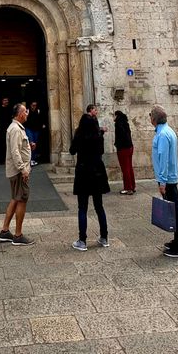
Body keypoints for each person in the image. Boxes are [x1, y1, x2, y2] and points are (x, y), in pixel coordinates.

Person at [151, 104, 178, 258]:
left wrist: (162, 182)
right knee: (174, 212)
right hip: (171, 178)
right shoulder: (168, 131)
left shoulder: (162, 135)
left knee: (175, 213)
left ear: (154, 119)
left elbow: (163, 159)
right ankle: (177, 240)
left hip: (167, 180)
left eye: (150, 115)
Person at [70, 105, 110, 251]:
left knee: (82, 208)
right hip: (97, 172)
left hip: (83, 172)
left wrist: (77, 137)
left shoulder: (79, 134)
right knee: (99, 206)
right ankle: (104, 238)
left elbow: (72, 151)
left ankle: (82, 241)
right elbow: (101, 150)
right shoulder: (98, 135)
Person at [0, 103, 34, 245]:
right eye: (25, 111)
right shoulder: (15, 129)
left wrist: (28, 147)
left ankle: (5, 231)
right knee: (22, 199)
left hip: (18, 170)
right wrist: (23, 169)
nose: (27, 113)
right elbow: (14, 152)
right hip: (19, 172)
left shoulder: (16, 128)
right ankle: (18, 235)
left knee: (15, 198)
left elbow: (19, 148)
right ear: (19, 114)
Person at [114, 110, 135, 194]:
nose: (114, 117)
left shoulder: (118, 124)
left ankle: (128, 188)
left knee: (125, 169)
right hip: (129, 147)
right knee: (129, 167)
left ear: (117, 116)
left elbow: (121, 137)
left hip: (123, 148)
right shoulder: (126, 123)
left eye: (114, 115)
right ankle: (132, 186)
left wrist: (117, 144)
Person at [26, 100, 45, 166]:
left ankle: (33, 159)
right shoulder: (27, 111)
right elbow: (24, 120)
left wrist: (42, 124)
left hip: (36, 130)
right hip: (29, 129)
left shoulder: (38, 111)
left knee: (35, 144)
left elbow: (41, 119)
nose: (34, 107)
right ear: (30, 105)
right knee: (32, 143)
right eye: (33, 105)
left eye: (35, 105)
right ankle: (30, 160)